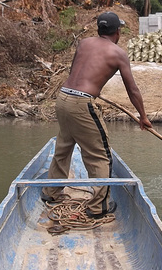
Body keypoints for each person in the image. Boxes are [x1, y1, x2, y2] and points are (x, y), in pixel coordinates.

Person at [42, 11, 152, 219]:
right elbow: (132, 89)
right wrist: (143, 116)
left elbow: (76, 71)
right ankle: (98, 207)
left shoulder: (84, 43)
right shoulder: (118, 53)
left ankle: (51, 193)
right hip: (81, 104)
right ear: (117, 31)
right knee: (101, 155)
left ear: (99, 30)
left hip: (63, 98)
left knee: (63, 149)